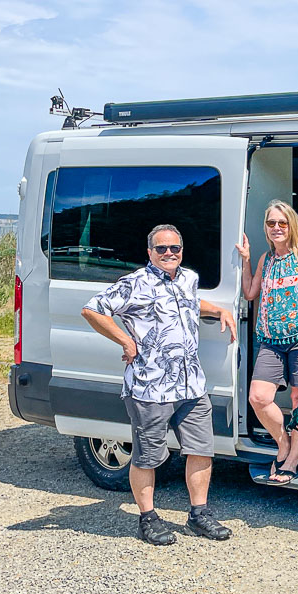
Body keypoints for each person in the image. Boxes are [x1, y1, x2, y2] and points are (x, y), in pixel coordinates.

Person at [81, 224, 237, 546]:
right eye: (162, 248)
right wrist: (125, 340)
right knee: (147, 456)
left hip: (191, 384)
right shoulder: (135, 283)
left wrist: (219, 309)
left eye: (175, 248)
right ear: (150, 252)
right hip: (150, 387)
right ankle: (148, 519)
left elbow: (191, 302)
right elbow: (92, 310)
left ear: (182, 250)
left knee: (201, 450)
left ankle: (199, 515)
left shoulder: (188, 279)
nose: (169, 253)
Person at [237, 200, 298, 485]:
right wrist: (247, 259)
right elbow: (250, 293)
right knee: (259, 397)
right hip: (271, 340)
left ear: (292, 226)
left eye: (282, 223)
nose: (276, 228)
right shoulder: (267, 260)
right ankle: (284, 444)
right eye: (271, 223)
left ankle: (292, 460)